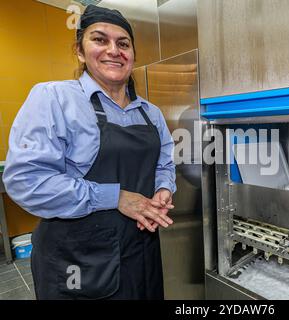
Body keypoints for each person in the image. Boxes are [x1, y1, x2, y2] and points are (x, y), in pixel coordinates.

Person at [3, 5, 176, 300]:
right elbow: (26, 182)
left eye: (123, 43)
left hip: (140, 249)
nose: (114, 50)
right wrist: (116, 197)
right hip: (78, 257)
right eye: (100, 39)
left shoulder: (151, 113)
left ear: (132, 54)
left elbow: (165, 162)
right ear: (80, 52)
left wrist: (163, 187)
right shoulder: (54, 98)